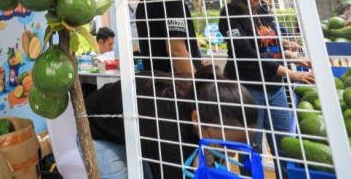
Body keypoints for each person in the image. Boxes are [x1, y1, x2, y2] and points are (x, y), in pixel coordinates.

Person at [218, 0, 314, 179]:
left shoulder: (262, 9)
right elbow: (247, 52)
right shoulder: (229, 14)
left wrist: (294, 58)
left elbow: (271, 43)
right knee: (252, 148)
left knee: (284, 145)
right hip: (248, 89)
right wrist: (288, 73)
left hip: (274, 88)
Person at [84, 65, 258, 179]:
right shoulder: (169, 132)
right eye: (224, 146)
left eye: (236, 147)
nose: (232, 155)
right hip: (97, 133)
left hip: (139, 130)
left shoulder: (202, 101)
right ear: (196, 119)